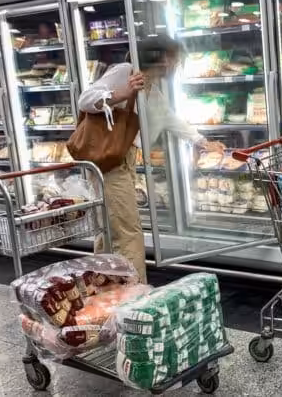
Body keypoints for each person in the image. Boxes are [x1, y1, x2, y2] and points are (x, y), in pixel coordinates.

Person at [78, 34, 224, 283]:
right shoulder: (126, 72)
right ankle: (134, 296)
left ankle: (101, 285)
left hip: (124, 161)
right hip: (111, 161)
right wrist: (123, 92)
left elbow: (170, 119)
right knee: (129, 231)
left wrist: (202, 142)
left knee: (110, 227)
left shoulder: (153, 89)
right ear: (162, 58)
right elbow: (85, 99)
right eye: (176, 59)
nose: (177, 65)